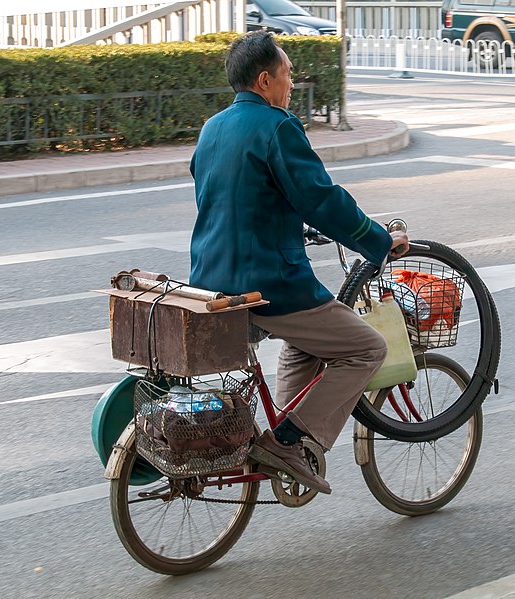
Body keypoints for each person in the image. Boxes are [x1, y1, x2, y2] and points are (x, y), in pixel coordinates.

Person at [189, 31, 408, 495]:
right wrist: (377, 240)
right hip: (269, 282)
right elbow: (321, 200)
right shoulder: (277, 126)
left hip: (210, 279)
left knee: (305, 342)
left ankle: (281, 434)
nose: (291, 85)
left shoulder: (212, 128)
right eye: (287, 76)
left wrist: (285, 221)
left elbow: (238, 197)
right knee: (367, 348)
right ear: (265, 80)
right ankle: (290, 440)